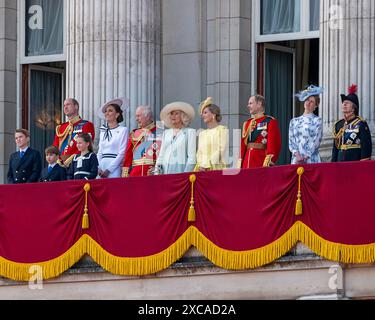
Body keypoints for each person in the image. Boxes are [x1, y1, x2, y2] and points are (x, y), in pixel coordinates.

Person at [238, 95, 281, 168]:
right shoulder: (247, 123)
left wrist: (267, 163)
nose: (248, 106)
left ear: (259, 104)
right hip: (246, 162)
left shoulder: (270, 121)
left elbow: (273, 145)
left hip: (260, 162)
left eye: (251, 103)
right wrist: (240, 163)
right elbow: (243, 146)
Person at [332, 85, 372, 162]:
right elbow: (335, 148)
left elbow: (366, 146)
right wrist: (333, 164)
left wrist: (363, 163)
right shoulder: (338, 125)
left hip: (355, 162)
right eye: (343, 103)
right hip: (339, 162)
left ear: (354, 108)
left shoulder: (361, 123)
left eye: (347, 103)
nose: (344, 104)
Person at [154, 101, 196, 175]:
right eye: (171, 114)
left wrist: (185, 175)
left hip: (181, 172)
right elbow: (161, 155)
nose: (173, 116)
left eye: (176, 114)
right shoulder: (166, 133)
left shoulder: (190, 132)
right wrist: (157, 172)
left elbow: (192, 158)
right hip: (165, 173)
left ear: (183, 116)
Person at [53, 98, 95, 168]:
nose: (65, 107)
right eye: (64, 105)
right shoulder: (61, 127)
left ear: (76, 107)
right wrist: (58, 160)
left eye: (68, 104)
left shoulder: (86, 125)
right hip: (60, 165)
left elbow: (87, 146)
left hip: (78, 163)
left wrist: (69, 160)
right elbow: (55, 147)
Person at [121, 105, 160, 177]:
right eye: (136, 116)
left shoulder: (159, 131)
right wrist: (125, 174)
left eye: (138, 116)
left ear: (147, 116)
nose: (136, 119)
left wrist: (158, 168)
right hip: (135, 172)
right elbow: (128, 155)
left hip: (152, 172)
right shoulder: (134, 133)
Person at [289, 85, 323, 164]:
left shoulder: (317, 120)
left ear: (315, 106)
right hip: (296, 159)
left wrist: (306, 156)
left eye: (312, 101)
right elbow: (291, 141)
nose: (308, 103)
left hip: (311, 159)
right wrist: (297, 156)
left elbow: (317, 140)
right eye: (307, 100)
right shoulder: (294, 121)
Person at [97, 98, 129, 178]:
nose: (107, 113)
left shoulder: (123, 130)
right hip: (101, 168)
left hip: (114, 168)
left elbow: (122, 153)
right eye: (106, 111)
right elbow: (100, 152)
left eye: (110, 111)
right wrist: (98, 168)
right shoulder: (103, 130)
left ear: (117, 114)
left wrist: (109, 170)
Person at [194, 97, 229, 171]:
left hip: (216, 168)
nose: (203, 115)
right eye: (202, 113)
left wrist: (208, 165)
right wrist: (201, 165)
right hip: (201, 169)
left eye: (205, 112)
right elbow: (199, 152)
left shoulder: (222, 130)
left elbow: (221, 150)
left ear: (213, 114)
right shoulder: (202, 133)